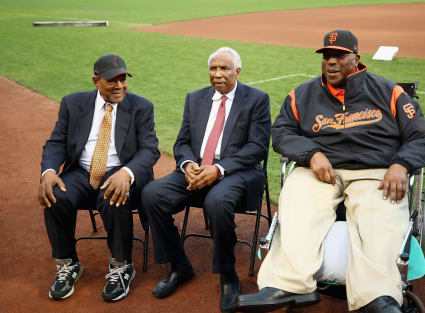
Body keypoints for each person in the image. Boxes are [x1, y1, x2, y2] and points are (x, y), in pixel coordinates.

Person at [236, 30, 425, 313]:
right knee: (296, 201)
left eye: (339, 56)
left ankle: (376, 297)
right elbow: (280, 133)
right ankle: (287, 285)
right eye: (326, 56)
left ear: (356, 58)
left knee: (380, 217)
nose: (331, 62)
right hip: (320, 171)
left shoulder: (388, 92)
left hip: (375, 171)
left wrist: (401, 163)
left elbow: (422, 137)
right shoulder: (302, 95)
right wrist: (311, 153)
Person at [141, 47, 271, 312]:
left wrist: (219, 169)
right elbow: (182, 142)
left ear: (238, 71)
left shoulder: (256, 99)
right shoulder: (195, 99)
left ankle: (228, 276)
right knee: (152, 194)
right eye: (213, 68)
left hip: (237, 172)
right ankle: (179, 266)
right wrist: (188, 164)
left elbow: (257, 148)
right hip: (196, 170)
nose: (217, 74)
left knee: (217, 200)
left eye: (224, 68)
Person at [38, 54, 160, 302]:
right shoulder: (73, 103)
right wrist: (48, 172)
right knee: (54, 195)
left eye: (123, 79)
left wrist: (127, 173)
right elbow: (56, 142)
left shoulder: (141, 106)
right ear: (96, 81)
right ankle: (68, 264)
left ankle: (121, 265)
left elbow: (150, 149)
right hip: (82, 172)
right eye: (112, 80)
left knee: (113, 195)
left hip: (121, 171)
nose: (119, 86)